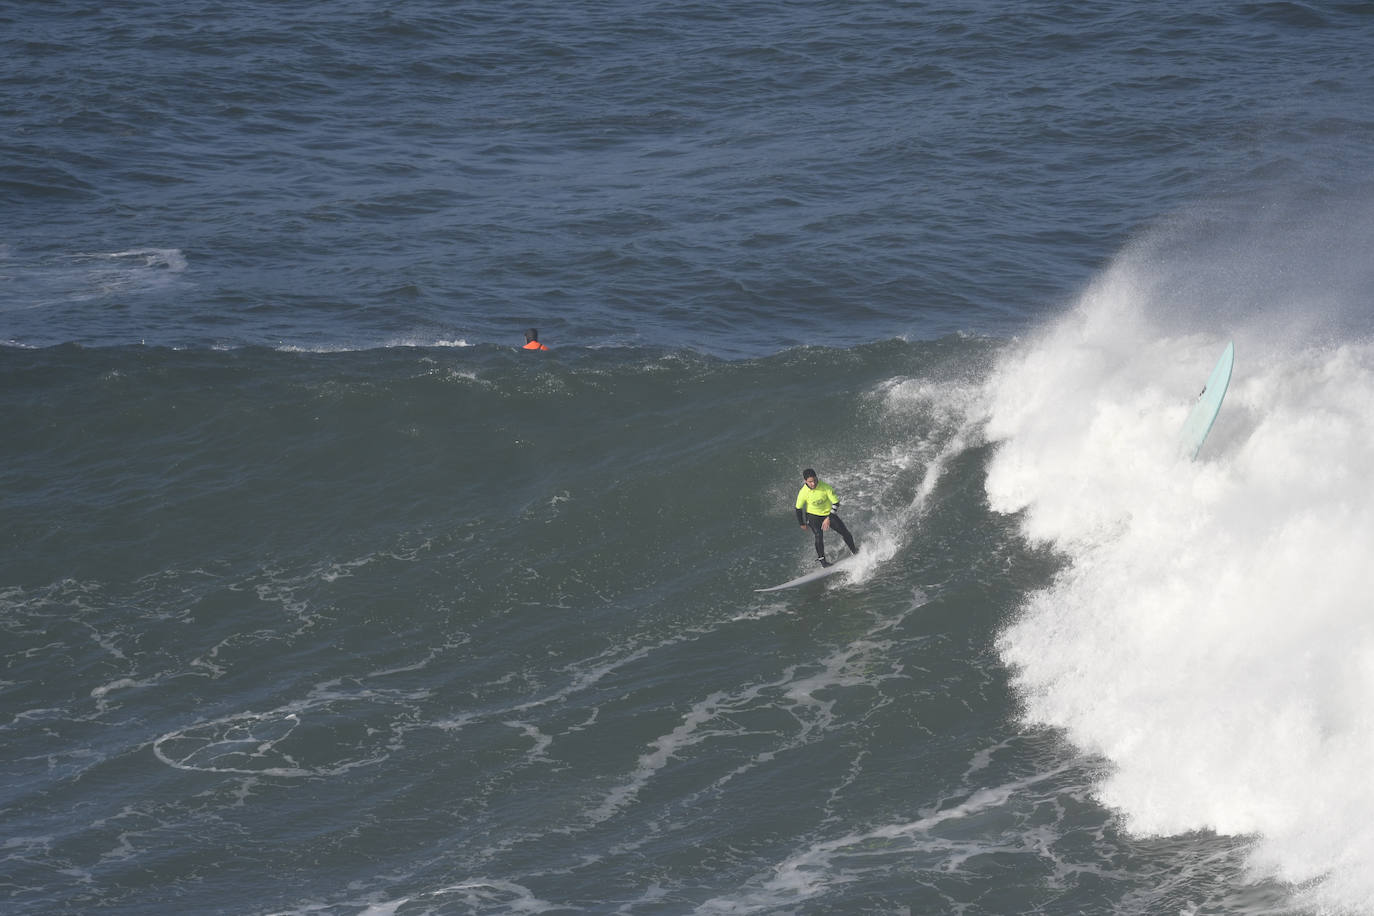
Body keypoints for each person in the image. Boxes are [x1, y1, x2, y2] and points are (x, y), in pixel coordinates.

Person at [795, 468, 858, 567]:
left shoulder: (825, 487)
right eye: (810, 482)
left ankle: (854, 551)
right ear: (805, 481)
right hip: (812, 516)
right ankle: (823, 562)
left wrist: (828, 518)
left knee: (845, 532)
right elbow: (798, 509)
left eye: (815, 480)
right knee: (818, 536)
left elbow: (836, 503)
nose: (813, 483)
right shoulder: (803, 492)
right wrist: (801, 523)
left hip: (828, 514)